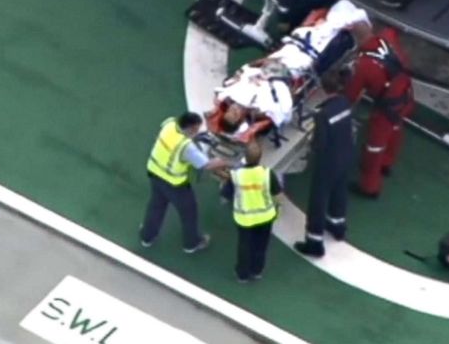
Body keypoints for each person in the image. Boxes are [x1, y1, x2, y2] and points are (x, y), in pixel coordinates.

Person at [140, 112, 227, 252]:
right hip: (174, 184)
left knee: (156, 206)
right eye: (197, 129)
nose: (197, 131)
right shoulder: (186, 147)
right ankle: (191, 243)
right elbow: (206, 165)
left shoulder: (169, 123)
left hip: (155, 172)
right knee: (189, 212)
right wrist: (225, 161)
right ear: (192, 128)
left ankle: (147, 236)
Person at [345, 24, 415, 197]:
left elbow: (350, 96)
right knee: (396, 129)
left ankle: (370, 187)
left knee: (374, 147)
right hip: (407, 95)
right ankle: (387, 163)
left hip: (387, 107)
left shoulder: (363, 65)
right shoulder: (388, 36)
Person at [294, 72, 356, 257]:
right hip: (346, 155)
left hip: (328, 161)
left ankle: (314, 243)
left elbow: (320, 144)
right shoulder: (345, 103)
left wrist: (309, 148)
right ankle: (337, 226)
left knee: (318, 200)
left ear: (323, 89)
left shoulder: (323, 114)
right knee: (339, 191)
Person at [221, 141, 283, 282]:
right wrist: (278, 207)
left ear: (245, 157)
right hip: (266, 217)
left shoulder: (236, 175)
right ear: (260, 157)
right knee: (261, 245)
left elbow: (226, 195)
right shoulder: (267, 173)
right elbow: (278, 195)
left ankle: (242, 274)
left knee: (244, 245)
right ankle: (257, 271)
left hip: (244, 218)